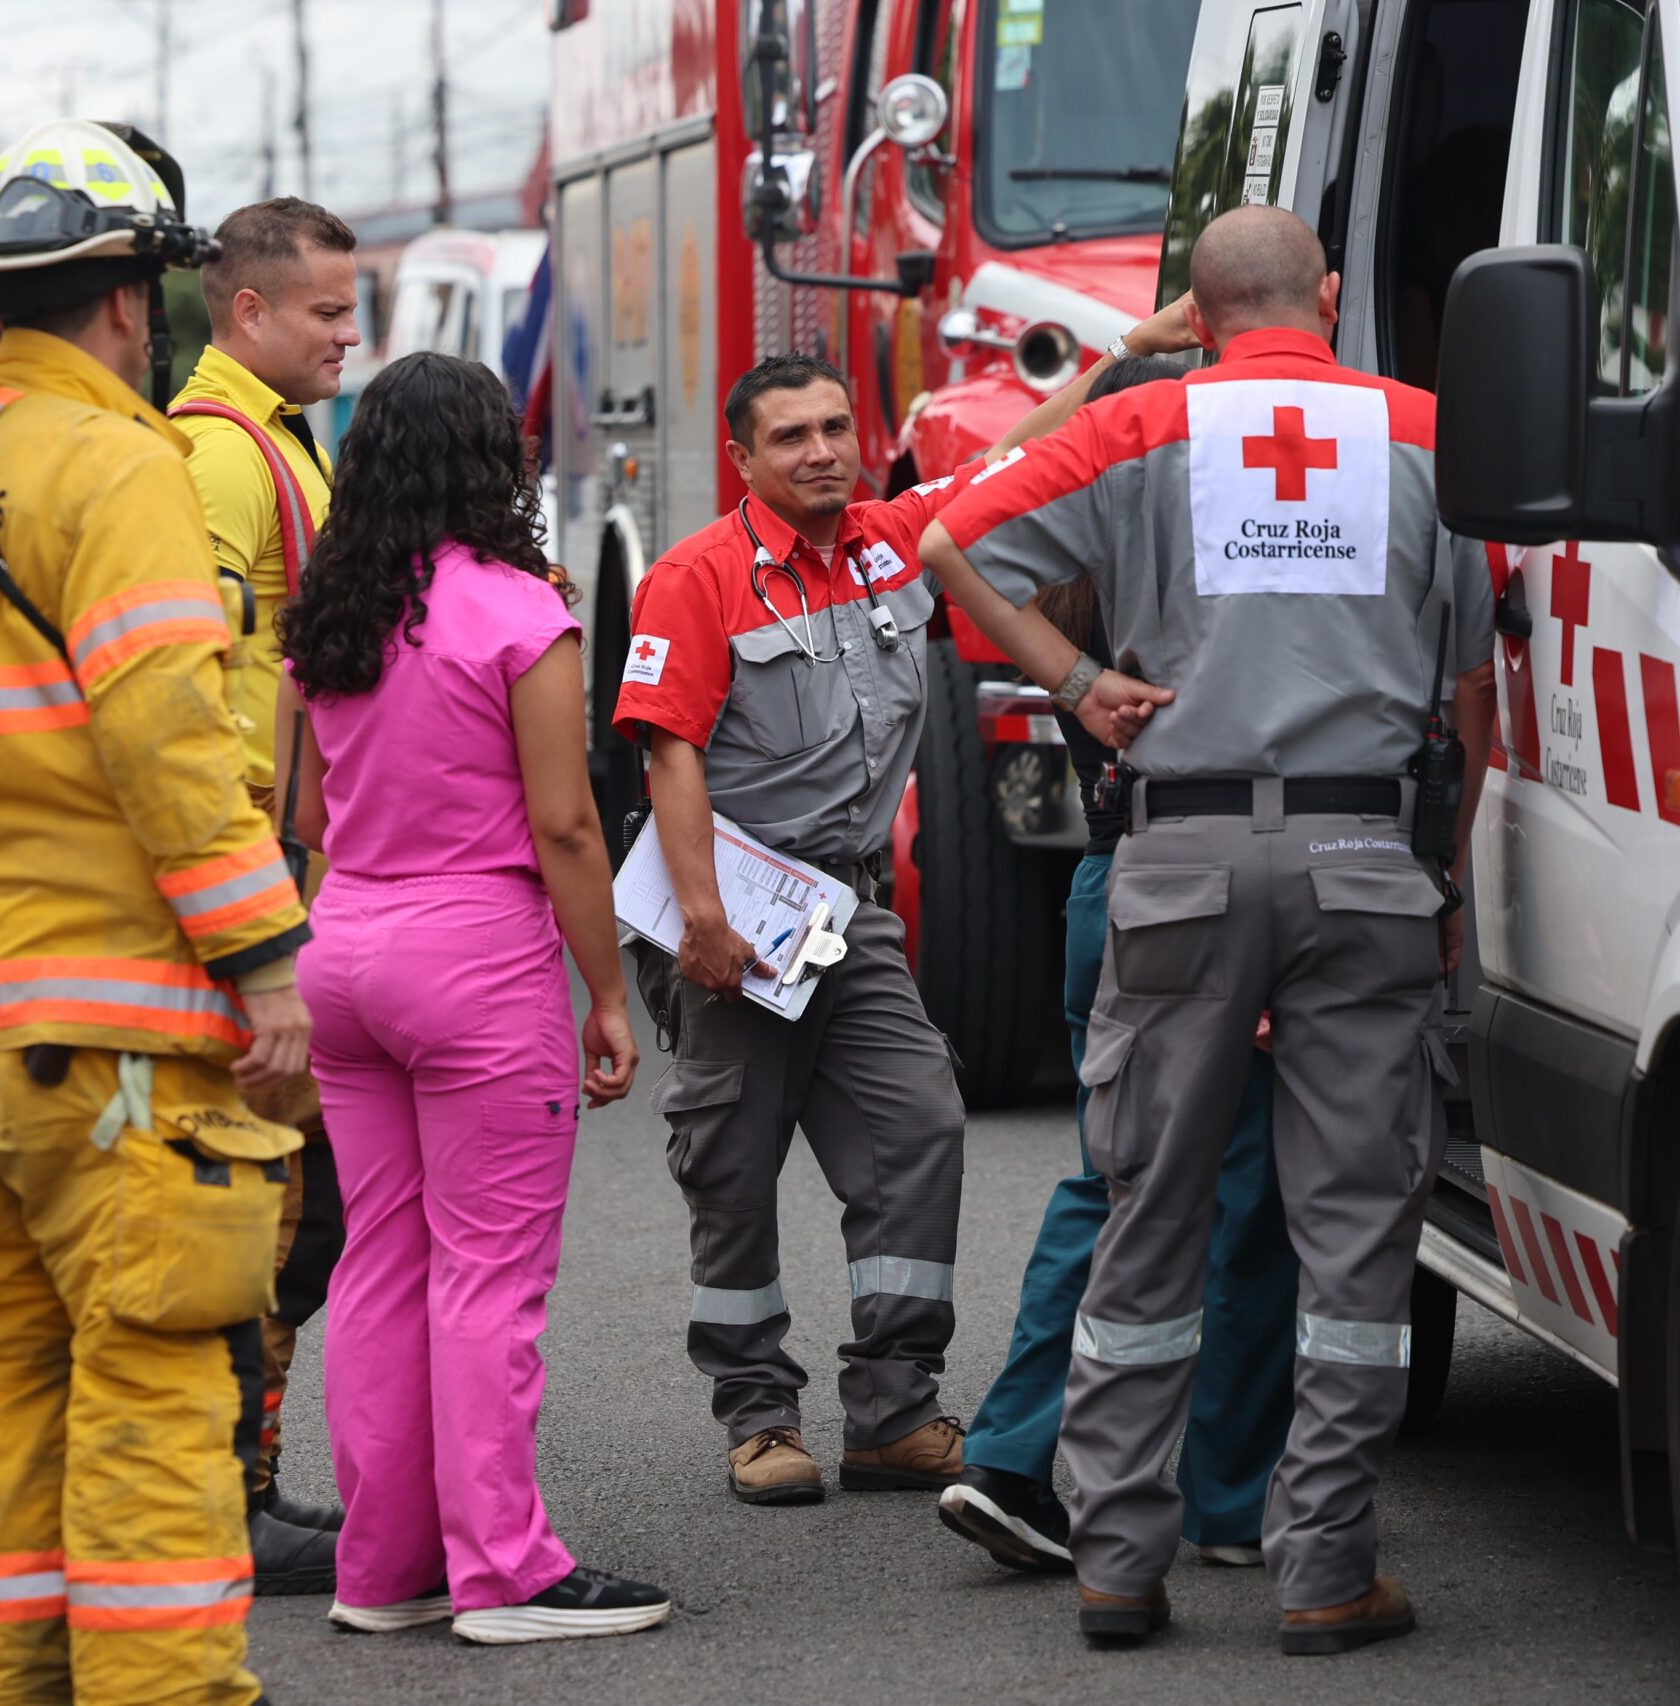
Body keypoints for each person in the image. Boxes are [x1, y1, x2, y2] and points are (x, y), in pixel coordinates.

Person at [921, 204, 1498, 1653]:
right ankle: (1325, 1569)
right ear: (1332, 294)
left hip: (1177, 858)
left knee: (1149, 1205)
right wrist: (1444, 874)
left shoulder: (1138, 427)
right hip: (1365, 855)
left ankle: (1118, 1562)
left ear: (1201, 308)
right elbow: (1473, 690)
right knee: (1353, 1228)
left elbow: (944, 535)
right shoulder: (1429, 432)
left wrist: (1074, 681)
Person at [0, 120, 312, 1706]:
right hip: (126, 1048)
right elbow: (171, 733)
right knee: (157, 1417)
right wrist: (266, 960)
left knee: (11, 1416)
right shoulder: (121, 467)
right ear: (130, 300)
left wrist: (5, 888)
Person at [275, 350, 671, 1645]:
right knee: (489, 1274)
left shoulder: (327, 613)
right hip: (475, 960)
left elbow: (301, 814)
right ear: (492, 459)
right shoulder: (518, 608)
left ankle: (386, 1566)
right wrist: (607, 993)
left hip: (345, 951)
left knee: (382, 1264)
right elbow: (565, 824)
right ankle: (505, 1568)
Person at [934, 351, 1296, 1579]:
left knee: (1112, 1177)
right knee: (1246, 1191)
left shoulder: (1067, 569)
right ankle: (1229, 1496)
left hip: (1109, 885)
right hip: (1208, 883)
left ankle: (1012, 1455)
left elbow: (973, 500)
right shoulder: (1208, 562)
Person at [613, 354, 979, 1505]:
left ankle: (894, 1408)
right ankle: (759, 1415)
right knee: (731, 1164)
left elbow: (1017, 461)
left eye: (833, 426)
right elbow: (669, 752)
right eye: (789, 436)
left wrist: (1127, 357)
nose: (819, 451)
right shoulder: (696, 576)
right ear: (742, 458)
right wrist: (704, 922)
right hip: (738, 919)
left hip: (847, 912)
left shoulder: (890, 542)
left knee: (918, 1121)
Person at [169, 195, 364, 1593]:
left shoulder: (283, 439)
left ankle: (244, 1476)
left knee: (305, 1202)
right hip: (254, 878)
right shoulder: (220, 457)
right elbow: (189, 687)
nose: (349, 335)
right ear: (247, 311)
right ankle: (228, 1492)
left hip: (289, 871)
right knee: (273, 1203)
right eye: (326, 312)